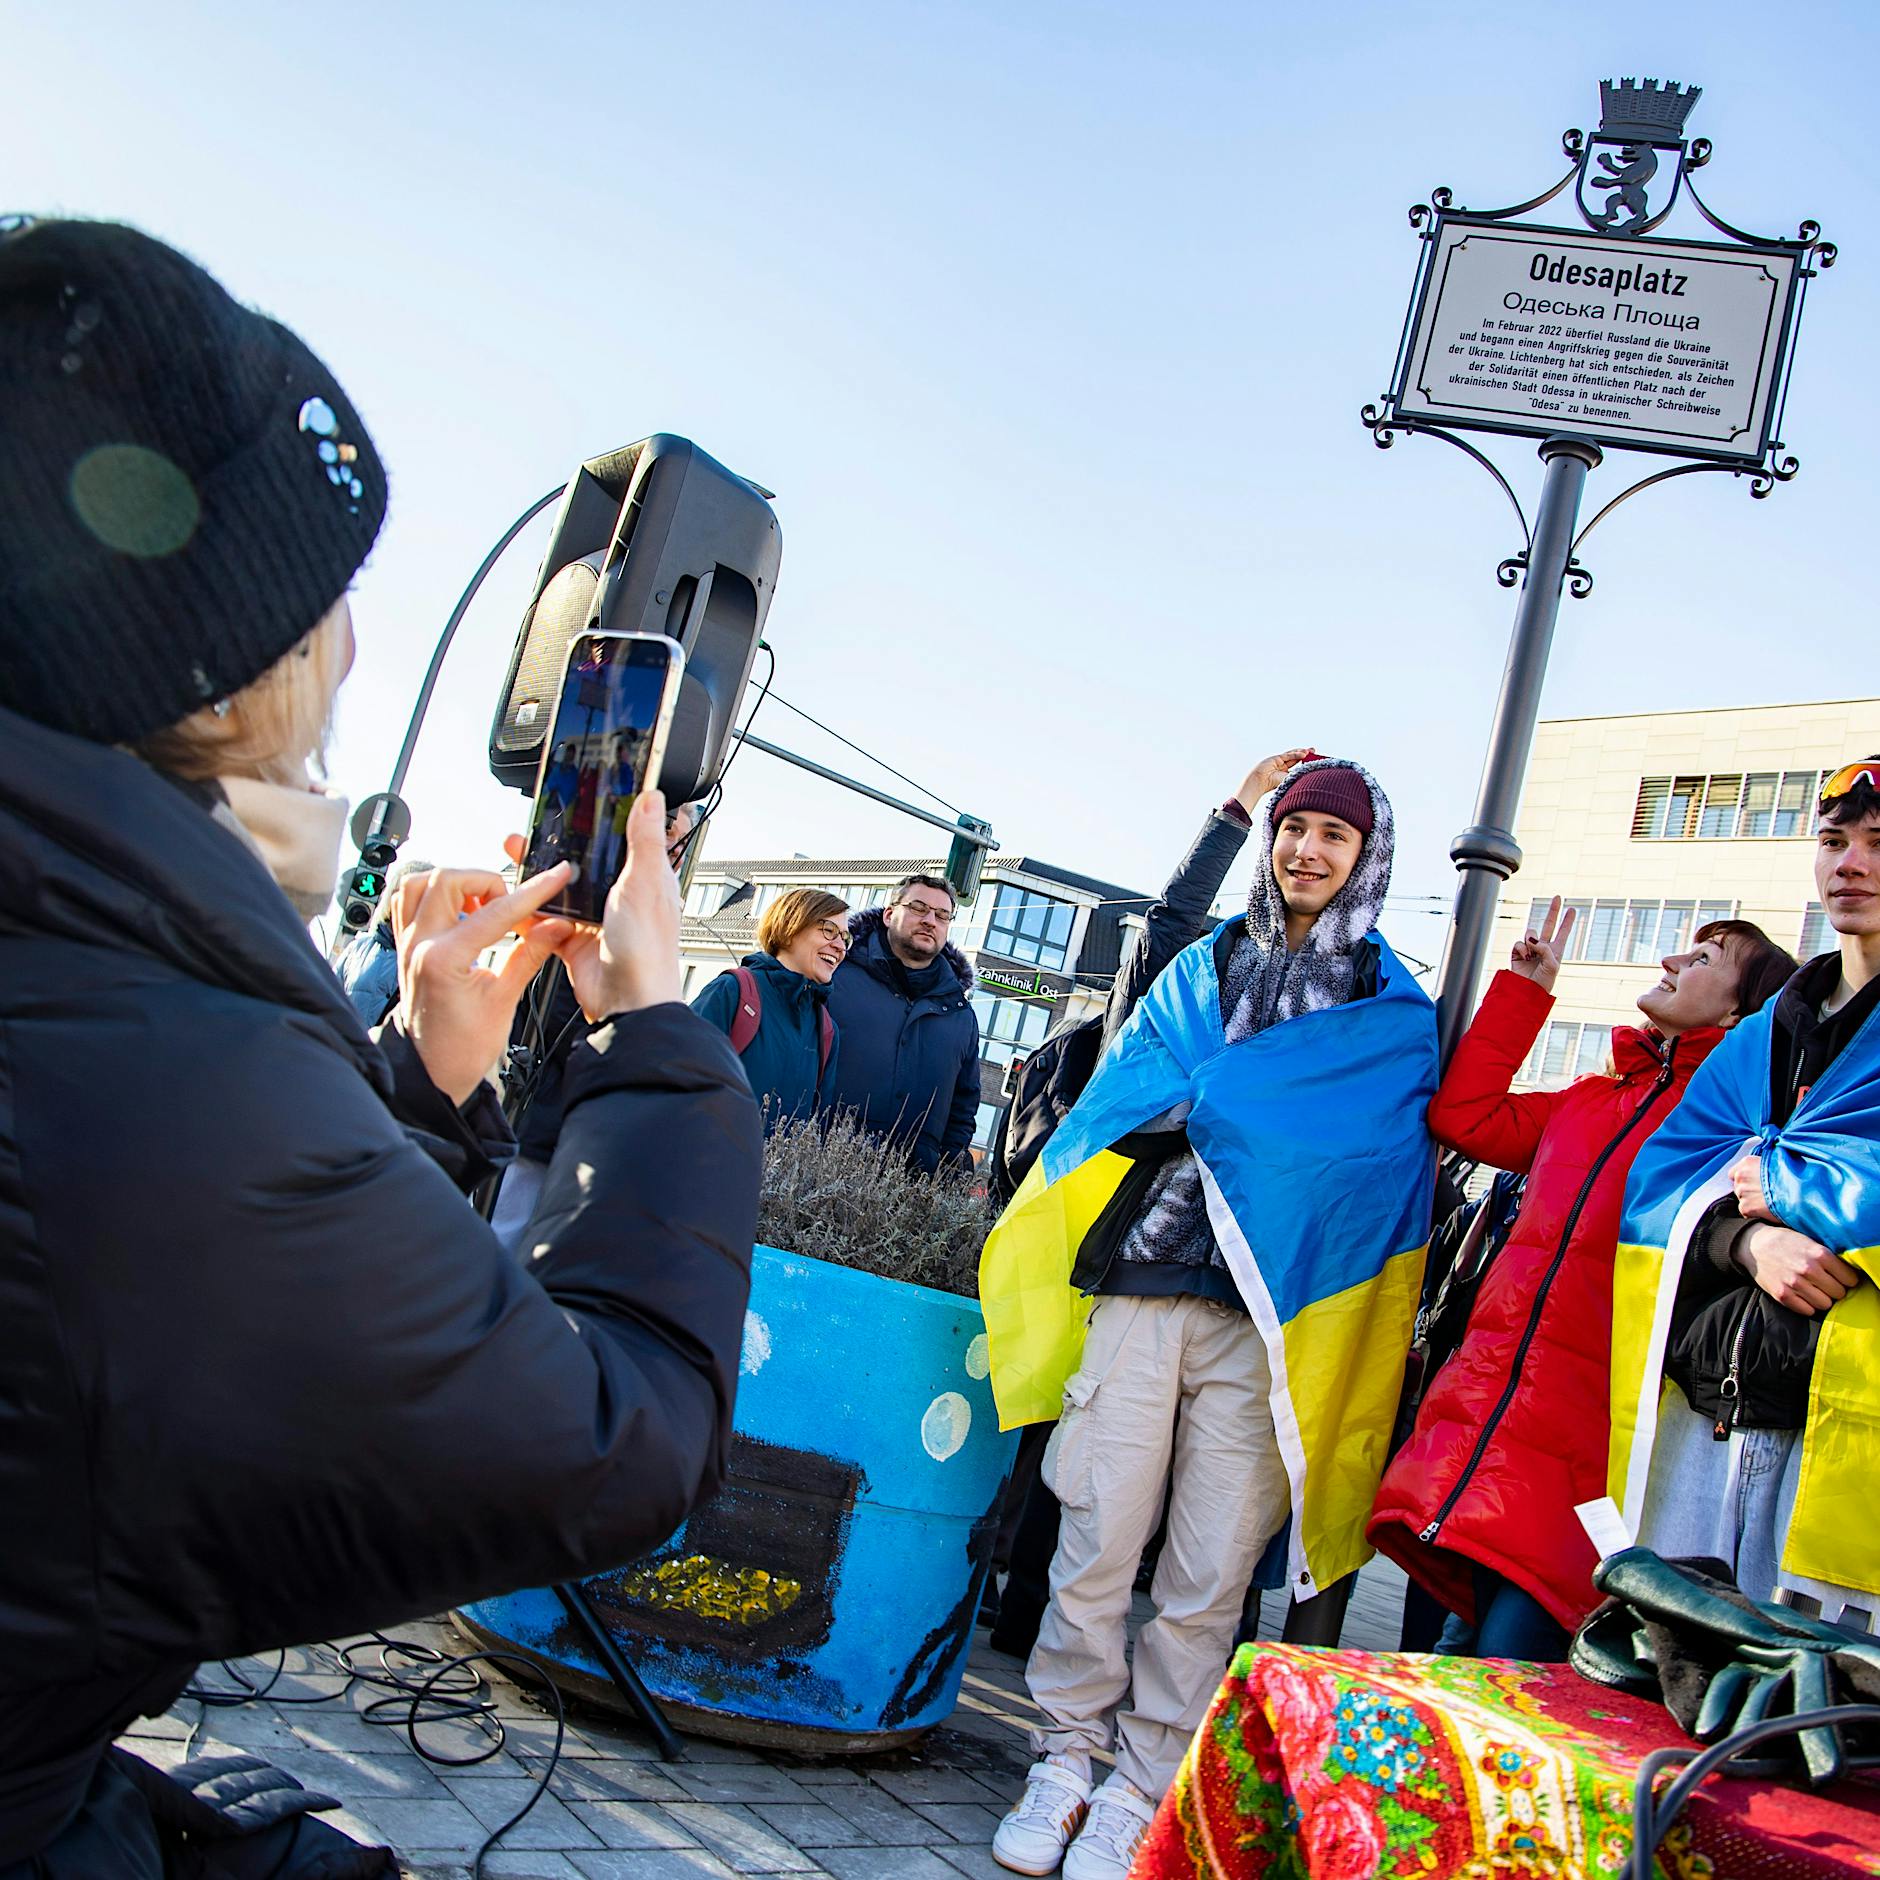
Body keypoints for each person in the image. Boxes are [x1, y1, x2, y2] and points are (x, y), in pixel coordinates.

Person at [0, 220, 762, 1877]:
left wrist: (415, 1090)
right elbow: (611, 1444)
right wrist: (657, 1048)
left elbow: (170, 1368)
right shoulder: (158, 1062)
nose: (349, 646)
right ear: (218, 666)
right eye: (320, 600)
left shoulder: (90, 965)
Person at [980, 757, 1438, 1880]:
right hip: (1143, 1279)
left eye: (1334, 834)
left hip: (1270, 1321)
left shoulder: (1387, 1008)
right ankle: (1063, 1755)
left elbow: (1376, 1161)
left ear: (1366, 856)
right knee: (1093, 1537)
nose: (1307, 851)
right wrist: (1218, 1107)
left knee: (1208, 1569)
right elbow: (1132, 1083)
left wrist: (1236, 1112)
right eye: (1295, 828)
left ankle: (1146, 1777)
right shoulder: (1204, 962)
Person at [1367, 900, 1795, 1660]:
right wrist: (1526, 990)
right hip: (1492, 1427)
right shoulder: (1594, 1100)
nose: (1671, 963)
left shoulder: (1727, 1124)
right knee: (1446, 1662)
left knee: (1511, 1671)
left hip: (1589, 1454)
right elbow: (1466, 1119)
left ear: (1742, 1012)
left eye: (1703, 960)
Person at [983, 754, 1315, 1657]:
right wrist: (1237, 812)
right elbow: (1170, 924)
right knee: (1079, 1463)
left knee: (1212, 1512)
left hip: (1241, 1286)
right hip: (1124, 1261)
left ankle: (1181, 1677)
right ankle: (1020, 1626)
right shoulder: (1156, 1011)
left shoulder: (1307, 1023)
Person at [1611, 758, 1880, 1617]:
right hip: (1705, 1420)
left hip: (1845, 1447)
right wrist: (1747, 1238)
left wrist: (1784, 1185)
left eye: (1879, 845)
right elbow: (1658, 1179)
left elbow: (1771, 1169)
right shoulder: (1766, 1032)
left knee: (1818, 1721)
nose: (1851, 865)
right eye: (1834, 842)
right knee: (1666, 1677)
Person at [489, 797, 701, 1248]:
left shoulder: (653, 917)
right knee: (503, 1242)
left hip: (583, 1135)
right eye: (665, 828)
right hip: (541, 1123)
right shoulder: (586, 903)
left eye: (679, 835)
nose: (672, 845)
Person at [824, 873, 981, 1173]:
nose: (930, 921)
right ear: (889, 914)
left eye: (942, 915)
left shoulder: (960, 1015)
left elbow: (962, 1110)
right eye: (918, 908)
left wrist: (944, 1175)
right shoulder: (835, 976)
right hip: (819, 1175)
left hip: (909, 1196)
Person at [691, 887, 848, 1130]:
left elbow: (816, 1130)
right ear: (790, 927)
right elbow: (675, 1084)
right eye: (829, 931)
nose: (840, 946)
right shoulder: (732, 992)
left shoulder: (826, 1030)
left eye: (845, 937)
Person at [334, 855, 435, 1024]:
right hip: (341, 1048)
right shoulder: (358, 949)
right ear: (394, 896)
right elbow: (325, 1001)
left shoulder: (435, 959)